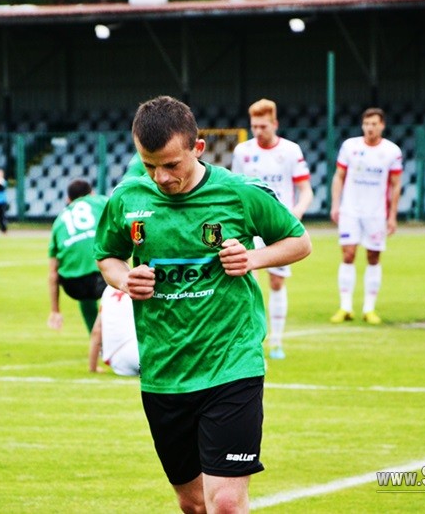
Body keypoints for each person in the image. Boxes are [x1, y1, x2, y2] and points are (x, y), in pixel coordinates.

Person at [94, 96, 312, 513]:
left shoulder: (237, 194)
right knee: (192, 504)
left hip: (231, 363)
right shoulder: (127, 199)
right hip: (164, 372)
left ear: (198, 149)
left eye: (171, 165)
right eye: (149, 164)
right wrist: (125, 278)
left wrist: (252, 258)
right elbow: (107, 256)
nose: (160, 177)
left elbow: (299, 241)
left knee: (227, 503)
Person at [231, 98, 314, 359]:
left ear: (275, 124)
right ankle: (250, 340)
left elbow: (306, 190)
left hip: (276, 228)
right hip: (248, 227)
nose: (258, 131)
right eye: (254, 126)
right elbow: (234, 189)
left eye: (263, 126)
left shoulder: (290, 151)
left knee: (277, 282)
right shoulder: (242, 152)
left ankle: (277, 341)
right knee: (246, 279)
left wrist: (297, 211)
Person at [329, 107, 402, 325]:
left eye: (374, 124)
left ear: (382, 125)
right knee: (348, 254)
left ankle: (369, 308)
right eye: (366, 124)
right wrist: (336, 204)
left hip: (376, 213)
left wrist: (392, 216)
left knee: (373, 256)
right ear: (362, 126)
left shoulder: (392, 151)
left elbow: (396, 185)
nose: (370, 128)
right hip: (351, 210)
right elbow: (339, 176)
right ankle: (345, 306)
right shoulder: (350, 147)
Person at [47, 179, 108, 334]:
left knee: (85, 296)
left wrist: (55, 310)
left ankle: (96, 340)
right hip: (102, 277)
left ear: (68, 200)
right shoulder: (100, 201)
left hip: (73, 285)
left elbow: (52, 274)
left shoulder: (59, 220)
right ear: (92, 193)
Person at [87, 285, 139, 376]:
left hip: (118, 362)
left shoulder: (108, 289)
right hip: (140, 352)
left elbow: (97, 330)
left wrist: (93, 367)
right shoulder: (143, 284)